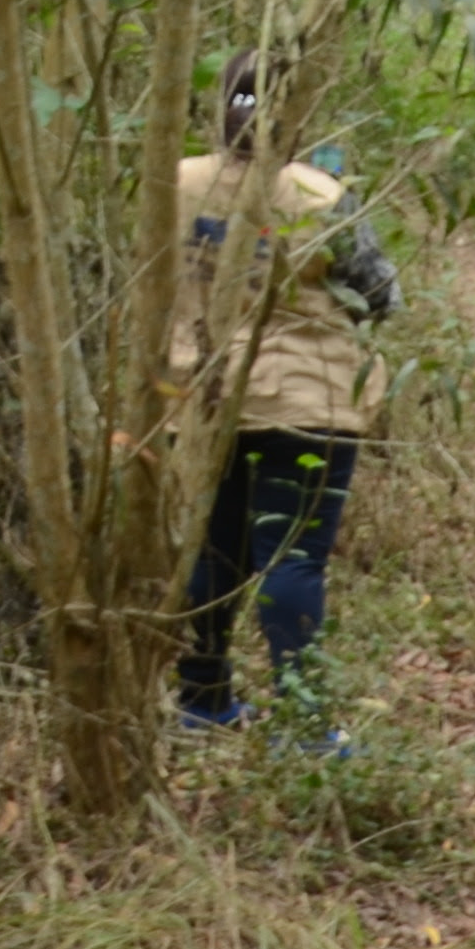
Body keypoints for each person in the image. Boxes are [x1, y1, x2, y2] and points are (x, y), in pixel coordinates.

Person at [169, 52, 397, 736]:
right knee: (292, 558)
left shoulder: (176, 183)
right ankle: (303, 723)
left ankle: (202, 701)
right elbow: (380, 294)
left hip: (203, 397)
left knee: (216, 552)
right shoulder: (320, 195)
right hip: (308, 402)